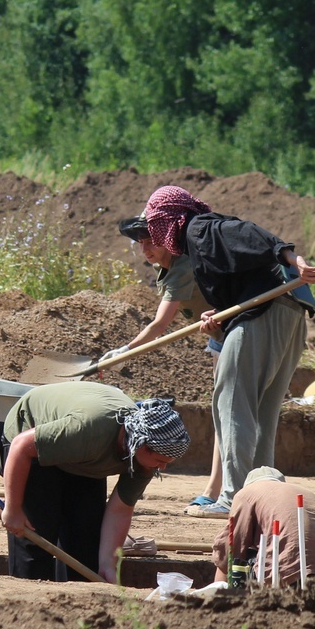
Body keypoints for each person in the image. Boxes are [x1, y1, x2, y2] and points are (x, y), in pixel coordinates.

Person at [142, 186, 315, 518]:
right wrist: (219, 317)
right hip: (287, 315)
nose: (154, 235)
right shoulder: (201, 239)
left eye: (156, 224)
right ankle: (261, 495)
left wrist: (296, 261)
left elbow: (257, 237)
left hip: (266, 313)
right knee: (262, 411)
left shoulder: (200, 229)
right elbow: (244, 280)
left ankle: (232, 497)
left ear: (171, 219)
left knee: (231, 403)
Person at [0, 382, 190, 583]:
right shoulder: (88, 430)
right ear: (140, 445)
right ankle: (29, 599)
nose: (162, 467)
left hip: (84, 457)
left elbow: (120, 510)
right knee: (35, 539)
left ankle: (72, 601)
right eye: (160, 460)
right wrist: (12, 509)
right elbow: (20, 446)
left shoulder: (144, 462)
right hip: (33, 440)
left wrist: (108, 564)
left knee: (86, 547)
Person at [101, 214, 223, 513]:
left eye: (151, 241)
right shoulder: (167, 266)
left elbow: (159, 324)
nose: (145, 249)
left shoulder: (182, 264)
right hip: (219, 336)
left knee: (226, 413)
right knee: (222, 411)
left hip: (234, 332)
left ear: (168, 239)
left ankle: (217, 490)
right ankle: (218, 488)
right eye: (140, 243)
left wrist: (125, 351)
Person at [211, 467, 315, 586]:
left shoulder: (246, 494)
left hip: (290, 573)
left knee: (243, 559)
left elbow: (230, 548)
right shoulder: (306, 493)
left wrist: (217, 593)